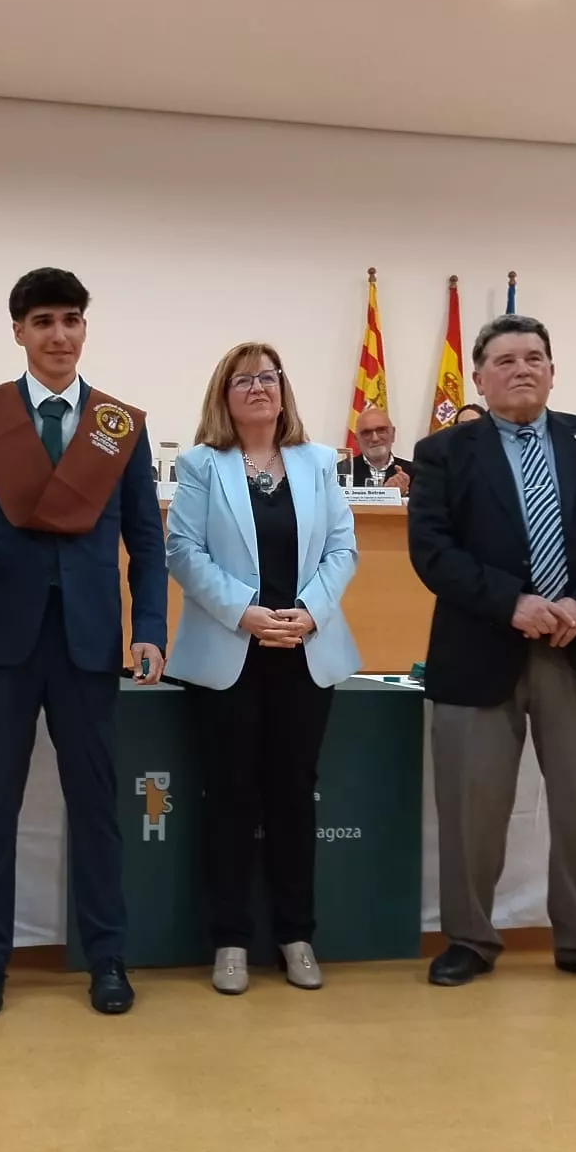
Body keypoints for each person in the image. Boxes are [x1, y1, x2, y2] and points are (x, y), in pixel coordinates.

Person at [0, 267, 167, 1019]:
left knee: (97, 806)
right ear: (19, 332)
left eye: (71, 320)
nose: (59, 335)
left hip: (90, 643)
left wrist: (150, 627)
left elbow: (145, 541)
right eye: (44, 322)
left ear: (85, 329)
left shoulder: (118, 423)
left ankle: (108, 956)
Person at [409, 312, 576, 987]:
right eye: (505, 360)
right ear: (479, 376)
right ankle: (469, 938)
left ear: (553, 370)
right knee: (473, 808)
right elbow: (433, 551)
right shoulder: (442, 454)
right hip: (480, 649)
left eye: (534, 357)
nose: (521, 369)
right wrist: (512, 604)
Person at [165, 344, 359, 995]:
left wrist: (308, 611)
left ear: (284, 391)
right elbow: (184, 552)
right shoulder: (200, 465)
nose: (257, 388)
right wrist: (245, 613)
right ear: (224, 394)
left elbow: (342, 548)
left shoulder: (319, 462)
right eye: (243, 379)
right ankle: (229, 939)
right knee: (228, 796)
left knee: (291, 797)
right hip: (230, 653)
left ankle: (295, 934)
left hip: (305, 651)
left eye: (268, 378)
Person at [351, 406, 412, 492]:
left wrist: (402, 496)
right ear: (357, 440)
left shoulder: (416, 473)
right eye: (367, 433)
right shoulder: (339, 473)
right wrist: (388, 495)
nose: (375, 439)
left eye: (381, 430)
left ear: (393, 434)